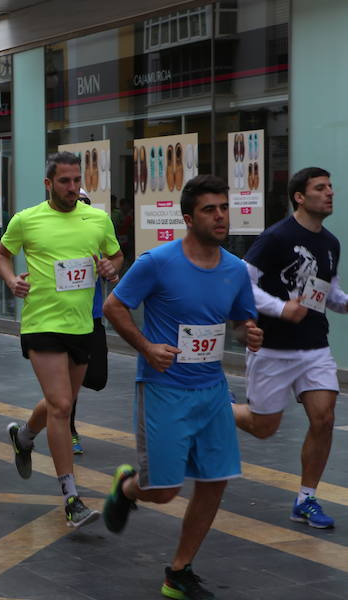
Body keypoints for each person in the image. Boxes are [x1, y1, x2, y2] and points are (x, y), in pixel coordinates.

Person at [102, 175, 262, 600]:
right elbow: (113, 306)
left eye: (224, 208)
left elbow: (242, 319)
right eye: (210, 209)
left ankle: (179, 571)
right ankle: (127, 487)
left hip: (213, 390)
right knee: (164, 490)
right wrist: (146, 346)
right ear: (188, 218)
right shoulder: (157, 262)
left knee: (215, 481)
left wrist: (249, 333)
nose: (221, 216)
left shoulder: (234, 269)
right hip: (163, 388)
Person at [0, 152, 122, 528]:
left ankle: (24, 435)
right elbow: (1, 254)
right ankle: (71, 497)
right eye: (64, 181)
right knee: (63, 405)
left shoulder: (97, 219)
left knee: (59, 403)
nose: (72, 188)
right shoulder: (27, 220)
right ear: (48, 183)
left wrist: (111, 267)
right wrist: (10, 280)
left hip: (82, 324)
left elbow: (116, 256)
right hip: (41, 323)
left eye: (76, 181)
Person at [234, 166, 346, 529]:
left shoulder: (330, 243)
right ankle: (217, 405)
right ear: (300, 196)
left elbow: (329, 293)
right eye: (320, 188)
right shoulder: (276, 237)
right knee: (263, 426)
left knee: (324, 419)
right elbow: (243, 283)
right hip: (273, 348)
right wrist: (282, 308)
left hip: (314, 346)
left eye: (330, 187)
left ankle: (306, 499)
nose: (329, 193)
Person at [69, 189, 112, 455]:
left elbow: (113, 267)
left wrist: (109, 269)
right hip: (65, 320)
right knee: (66, 387)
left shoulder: (96, 239)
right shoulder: (57, 239)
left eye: (86, 205)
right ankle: (69, 429)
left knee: (97, 378)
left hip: (93, 316)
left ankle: (57, 392)